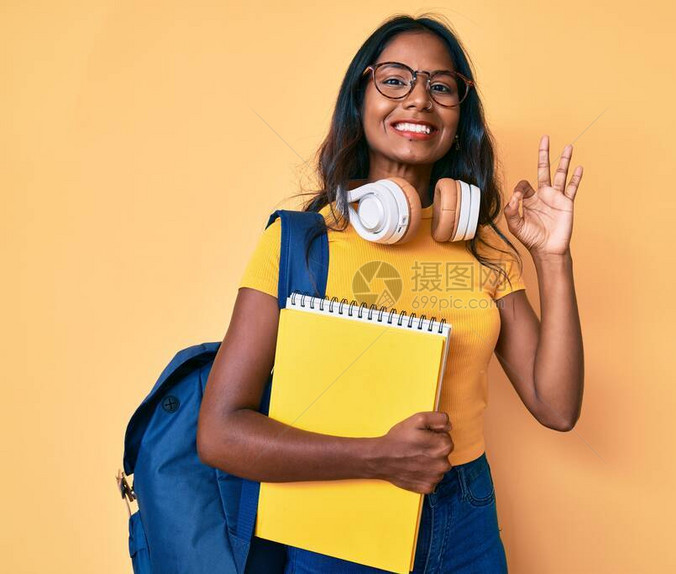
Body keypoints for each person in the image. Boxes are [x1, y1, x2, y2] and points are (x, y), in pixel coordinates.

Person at [198, 13, 585, 574]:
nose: (419, 100)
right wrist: (376, 457)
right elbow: (220, 432)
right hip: (336, 519)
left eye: (441, 86)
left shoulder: (486, 251)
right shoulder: (298, 245)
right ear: (361, 98)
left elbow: (558, 406)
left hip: (465, 519)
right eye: (396, 80)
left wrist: (553, 259)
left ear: (460, 115)